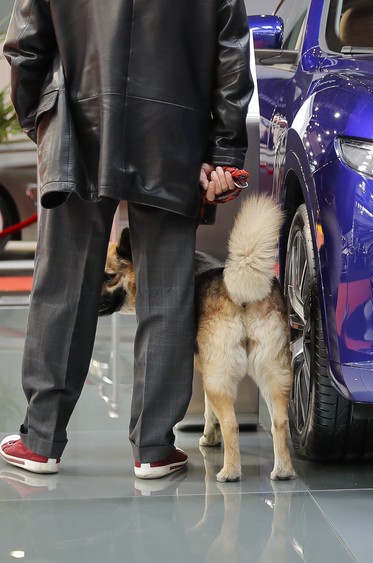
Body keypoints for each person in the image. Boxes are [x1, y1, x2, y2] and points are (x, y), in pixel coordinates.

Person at [0, 0, 253, 479]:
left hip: (77, 123)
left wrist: (44, 123)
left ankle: (40, 441)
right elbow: (232, 59)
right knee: (167, 293)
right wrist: (223, 151)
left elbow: (24, 47)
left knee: (62, 288)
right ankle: (154, 448)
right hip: (173, 137)